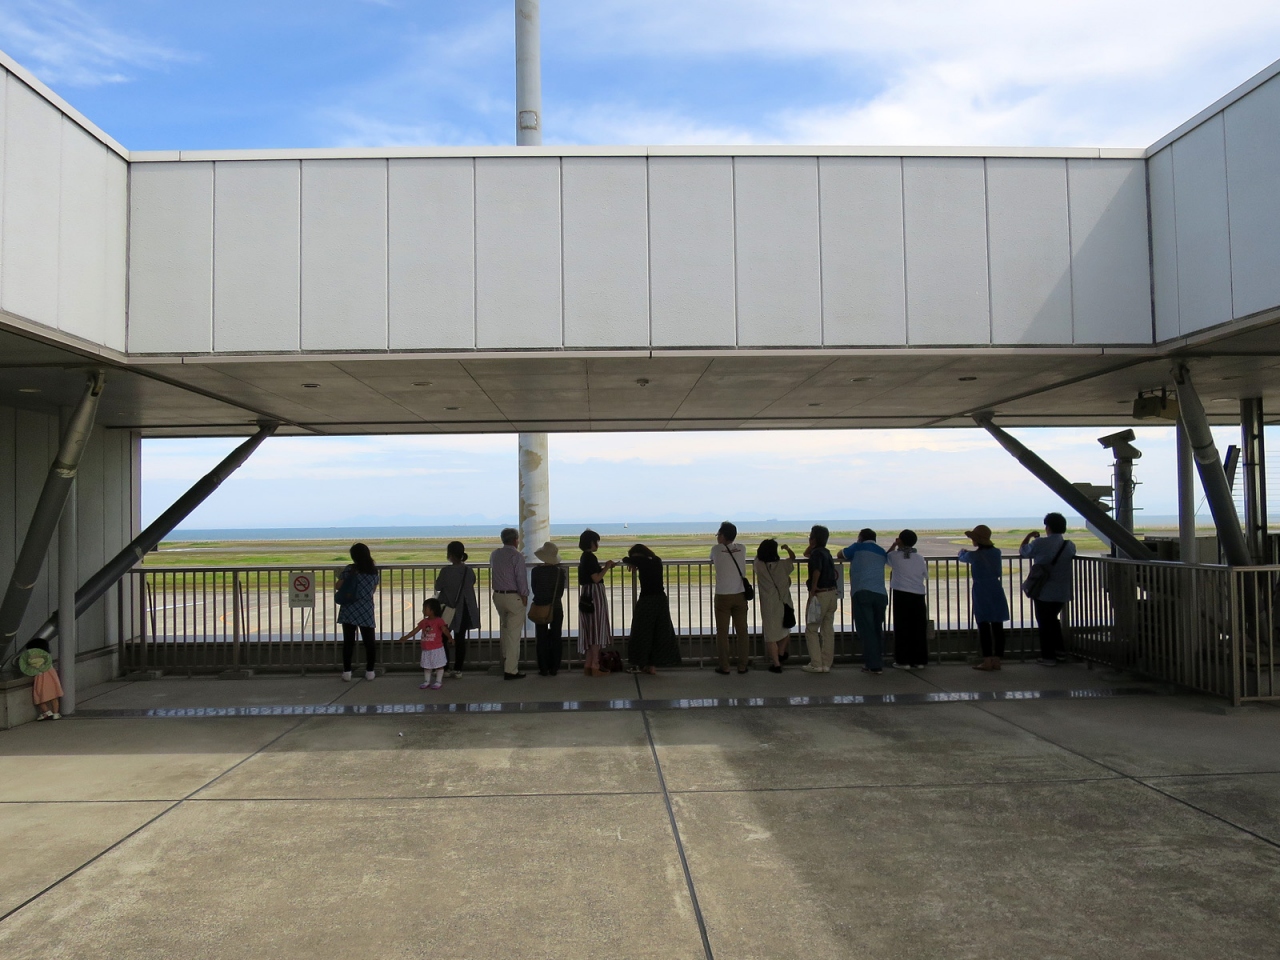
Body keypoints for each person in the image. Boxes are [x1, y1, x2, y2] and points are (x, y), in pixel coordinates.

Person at [1020, 512, 1077, 665]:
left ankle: (1048, 657)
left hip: (1043, 591)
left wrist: (1029, 536)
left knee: (1044, 623)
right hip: (1062, 591)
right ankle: (1060, 652)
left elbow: (1024, 551)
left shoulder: (1040, 543)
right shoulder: (1069, 545)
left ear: (1048, 527)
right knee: (1053, 621)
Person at [621, 543, 682, 674]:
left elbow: (625, 559)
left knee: (641, 632)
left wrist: (631, 561)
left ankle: (639, 663)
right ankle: (652, 665)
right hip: (661, 600)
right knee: (658, 632)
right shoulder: (657, 560)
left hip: (647, 600)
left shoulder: (640, 561)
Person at [837, 529, 889, 674]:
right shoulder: (881, 551)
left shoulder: (857, 547)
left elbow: (841, 554)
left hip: (862, 592)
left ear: (860, 537)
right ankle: (878, 660)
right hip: (881, 594)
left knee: (866, 629)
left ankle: (873, 664)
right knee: (877, 629)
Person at [958, 524, 1010, 671]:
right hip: (996, 588)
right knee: (998, 626)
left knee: (983, 625)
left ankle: (987, 660)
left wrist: (962, 552)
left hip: (981, 590)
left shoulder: (975, 555)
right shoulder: (997, 552)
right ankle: (997, 660)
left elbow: (962, 557)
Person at [710, 521, 751, 674]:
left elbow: (713, 558)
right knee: (742, 632)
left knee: (722, 632)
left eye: (718, 534)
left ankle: (724, 666)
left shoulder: (716, 549)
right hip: (740, 595)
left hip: (722, 596)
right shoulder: (742, 548)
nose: (717, 537)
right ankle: (742, 665)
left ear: (722, 536)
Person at [336, 542, 380, 681]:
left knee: (348, 642)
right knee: (369, 642)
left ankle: (347, 672)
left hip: (349, 608)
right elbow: (373, 590)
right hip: (366, 608)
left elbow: (338, 586)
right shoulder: (373, 571)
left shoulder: (350, 569)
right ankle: (370, 671)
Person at [434, 541, 478, 679]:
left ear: (450, 555)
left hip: (447, 609)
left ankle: (445, 667)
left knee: (442, 638)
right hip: (463, 609)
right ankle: (458, 669)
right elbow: (472, 582)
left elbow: (438, 586)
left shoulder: (445, 571)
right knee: (460, 639)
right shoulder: (468, 571)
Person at [489, 528, 528, 680]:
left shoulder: (495, 554)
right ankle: (511, 669)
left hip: (498, 595)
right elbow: (521, 578)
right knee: (513, 635)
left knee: (505, 629)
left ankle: (505, 659)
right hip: (513, 597)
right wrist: (524, 595)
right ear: (515, 540)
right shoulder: (517, 556)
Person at [887, 530, 929, 669]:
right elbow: (925, 575)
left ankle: (903, 660)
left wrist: (894, 545)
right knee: (918, 628)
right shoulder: (919, 558)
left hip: (901, 593)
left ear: (900, 540)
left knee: (902, 627)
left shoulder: (895, 556)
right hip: (918, 594)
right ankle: (919, 660)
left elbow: (886, 556)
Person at [578, 529, 618, 676]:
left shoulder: (584, 557)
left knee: (589, 629)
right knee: (596, 629)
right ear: (591, 542)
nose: (597, 545)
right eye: (596, 542)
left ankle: (589, 664)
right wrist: (607, 567)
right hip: (595, 595)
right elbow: (596, 578)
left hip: (587, 594)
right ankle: (595, 664)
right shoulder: (590, 558)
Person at [754, 539, 796, 673]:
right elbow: (792, 558)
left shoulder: (759, 565)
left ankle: (776, 664)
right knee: (786, 629)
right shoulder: (783, 565)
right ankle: (781, 652)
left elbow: (757, 558)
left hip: (769, 604)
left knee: (770, 635)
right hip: (785, 602)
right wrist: (787, 549)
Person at [803, 525, 839, 673]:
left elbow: (816, 570)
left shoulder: (816, 554)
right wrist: (813, 544)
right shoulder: (826, 552)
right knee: (827, 629)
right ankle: (826, 663)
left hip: (820, 594)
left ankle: (816, 663)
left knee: (811, 628)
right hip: (832, 593)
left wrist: (813, 588)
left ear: (814, 539)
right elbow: (806, 553)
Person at [399, 598, 453, 690]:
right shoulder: (424, 622)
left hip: (436, 648)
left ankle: (438, 681)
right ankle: (427, 681)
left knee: (439, 666)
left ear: (432, 610)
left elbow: (445, 630)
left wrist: (450, 637)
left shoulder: (439, 621)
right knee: (427, 666)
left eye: (425, 608)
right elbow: (415, 630)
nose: (423, 610)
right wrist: (406, 637)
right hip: (426, 648)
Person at [530, 541, 567, 676]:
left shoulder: (535, 571)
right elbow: (560, 592)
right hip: (556, 606)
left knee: (541, 638)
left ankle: (543, 668)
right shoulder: (560, 572)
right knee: (556, 637)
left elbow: (534, 589)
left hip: (540, 606)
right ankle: (555, 667)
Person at [20, 639, 62, 720]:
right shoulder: (47, 657)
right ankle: (56, 713)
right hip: (51, 677)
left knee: (39, 697)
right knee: (54, 697)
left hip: (40, 678)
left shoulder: (32, 659)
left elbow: (28, 668)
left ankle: (46, 712)